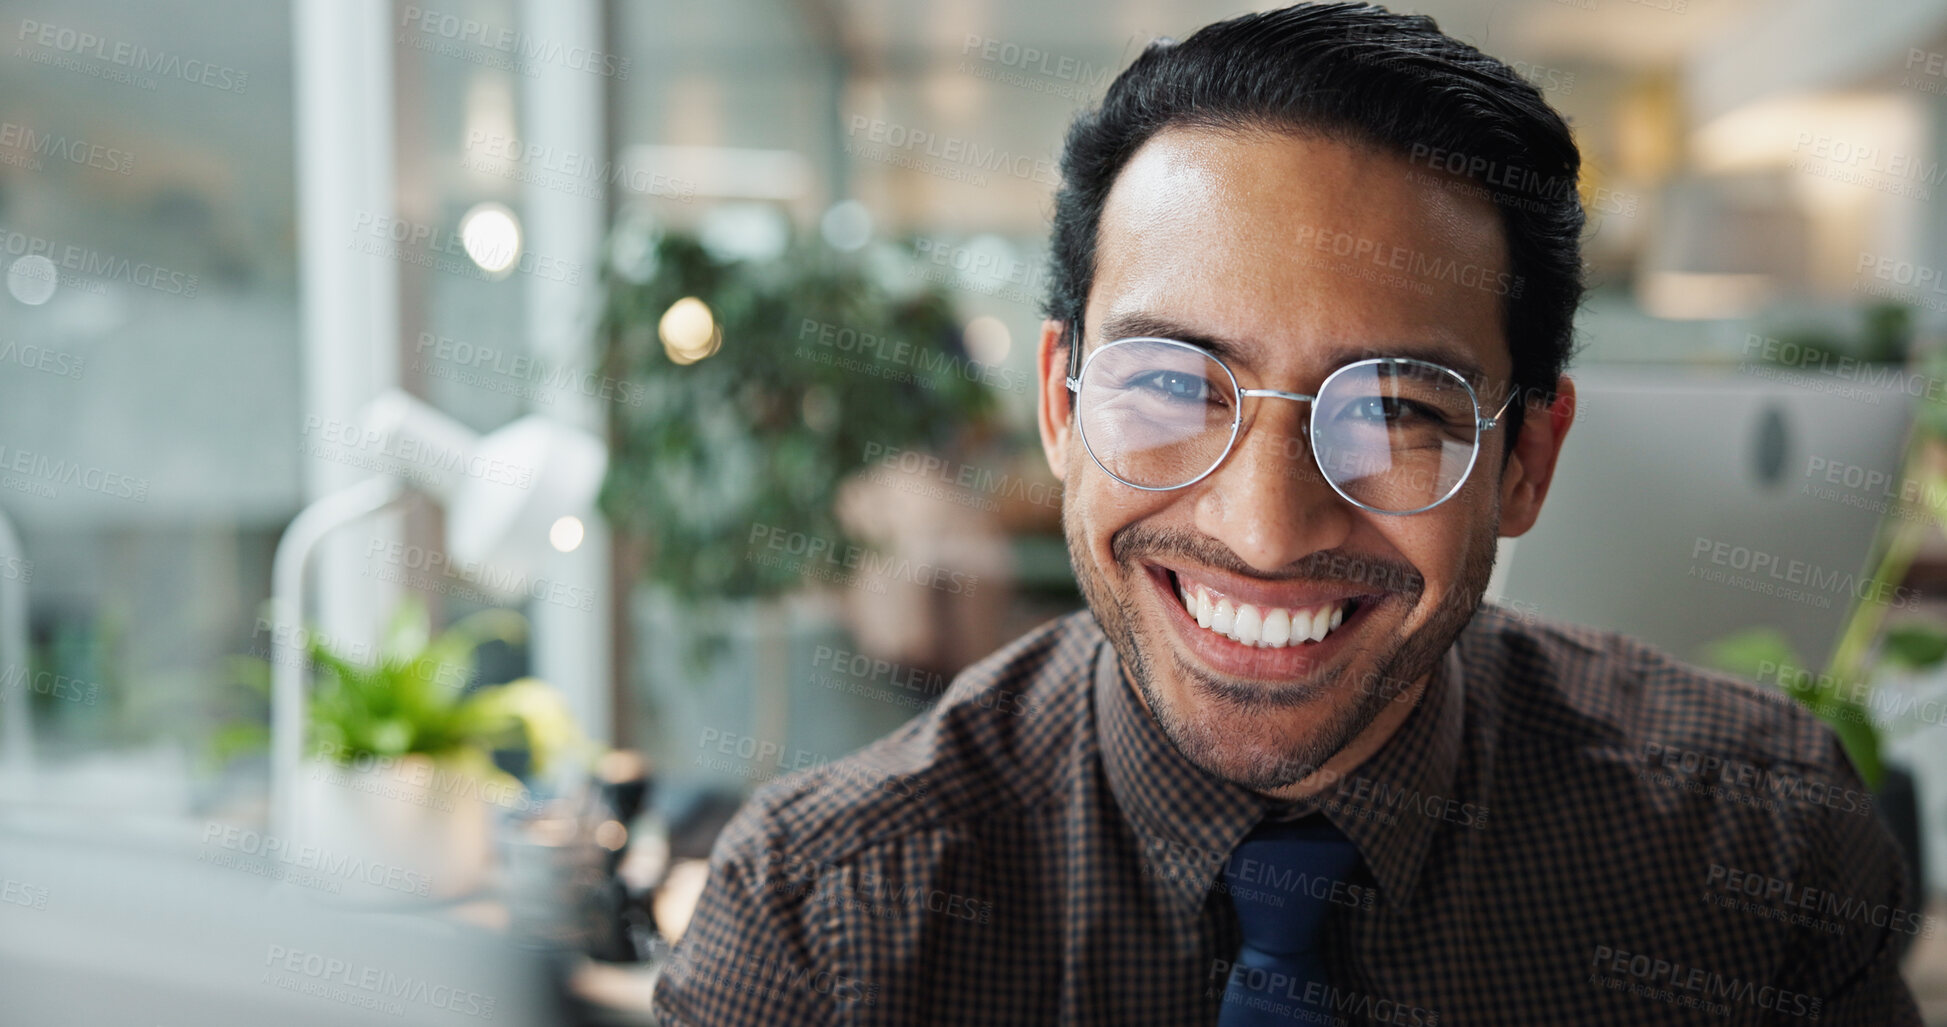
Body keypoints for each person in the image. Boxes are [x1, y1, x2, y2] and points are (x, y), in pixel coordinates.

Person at [652, 4, 1922, 1023]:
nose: (1264, 529)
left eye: (1395, 409)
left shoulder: (1760, 849)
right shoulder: (823, 924)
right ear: (1060, 403)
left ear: (1527, 457)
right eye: (1167, 385)